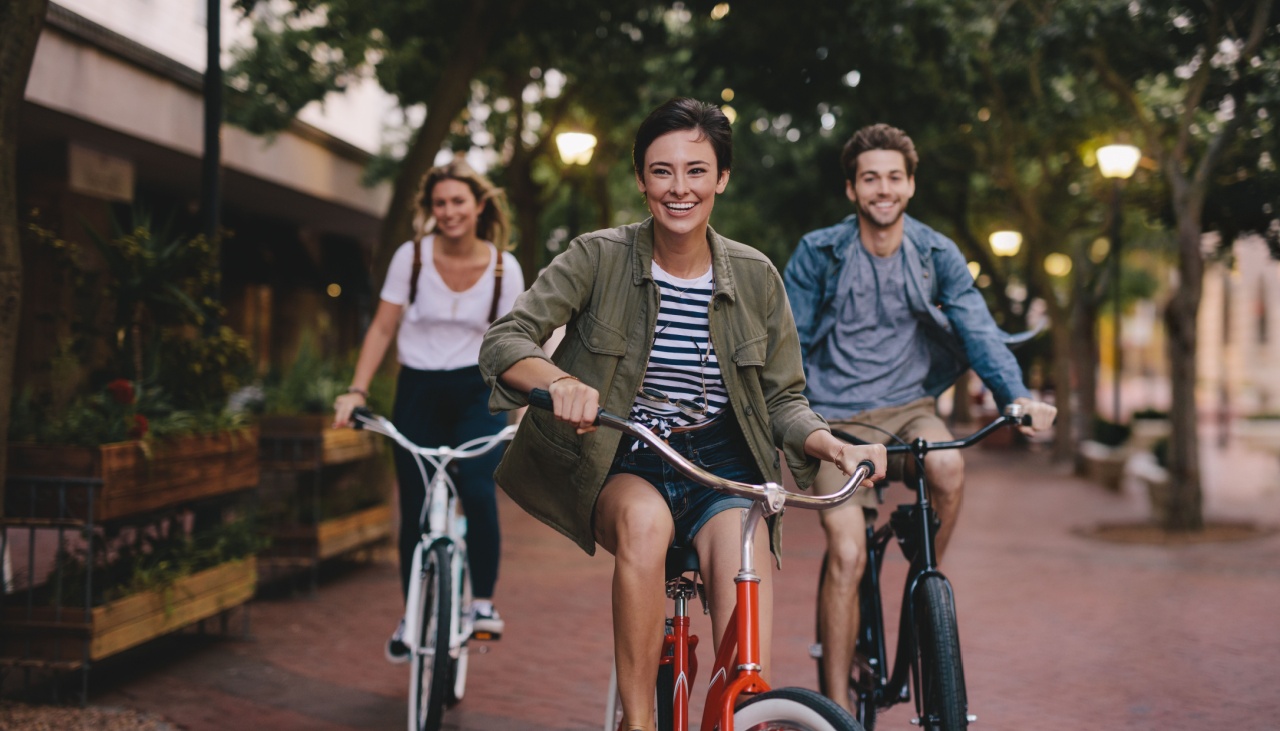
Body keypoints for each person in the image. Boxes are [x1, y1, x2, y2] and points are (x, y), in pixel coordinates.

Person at [479, 98, 887, 731]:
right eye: (662, 171)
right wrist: (560, 382)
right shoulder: (597, 257)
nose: (679, 188)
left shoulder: (755, 277)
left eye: (696, 170)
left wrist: (834, 447)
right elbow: (506, 341)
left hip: (723, 463)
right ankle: (640, 721)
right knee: (644, 527)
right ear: (641, 180)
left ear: (721, 178)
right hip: (628, 455)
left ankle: (742, 713)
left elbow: (784, 400)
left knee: (742, 557)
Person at [782, 123, 1057, 712]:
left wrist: (1017, 395)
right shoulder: (818, 253)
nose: (883, 189)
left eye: (894, 177)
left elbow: (978, 331)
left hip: (911, 410)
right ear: (852, 190)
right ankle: (834, 714)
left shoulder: (935, 254)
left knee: (952, 468)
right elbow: (790, 347)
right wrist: (797, 423)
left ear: (910, 185)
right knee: (848, 553)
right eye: (870, 178)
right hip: (836, 422)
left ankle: (919, 588)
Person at [333, 159, 525, 662]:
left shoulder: (504, 266)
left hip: (477, 390)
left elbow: (519, 342)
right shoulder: (410, 258)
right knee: (415, 507)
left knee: (479, 489)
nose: (448, 211)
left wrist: (526, 408)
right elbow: (381, 328)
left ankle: (481, 603)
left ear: (479, 205)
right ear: (430, 208)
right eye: (439, 203)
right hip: (417, 389)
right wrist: (356, 389)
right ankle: (412, 612)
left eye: (458, 201)